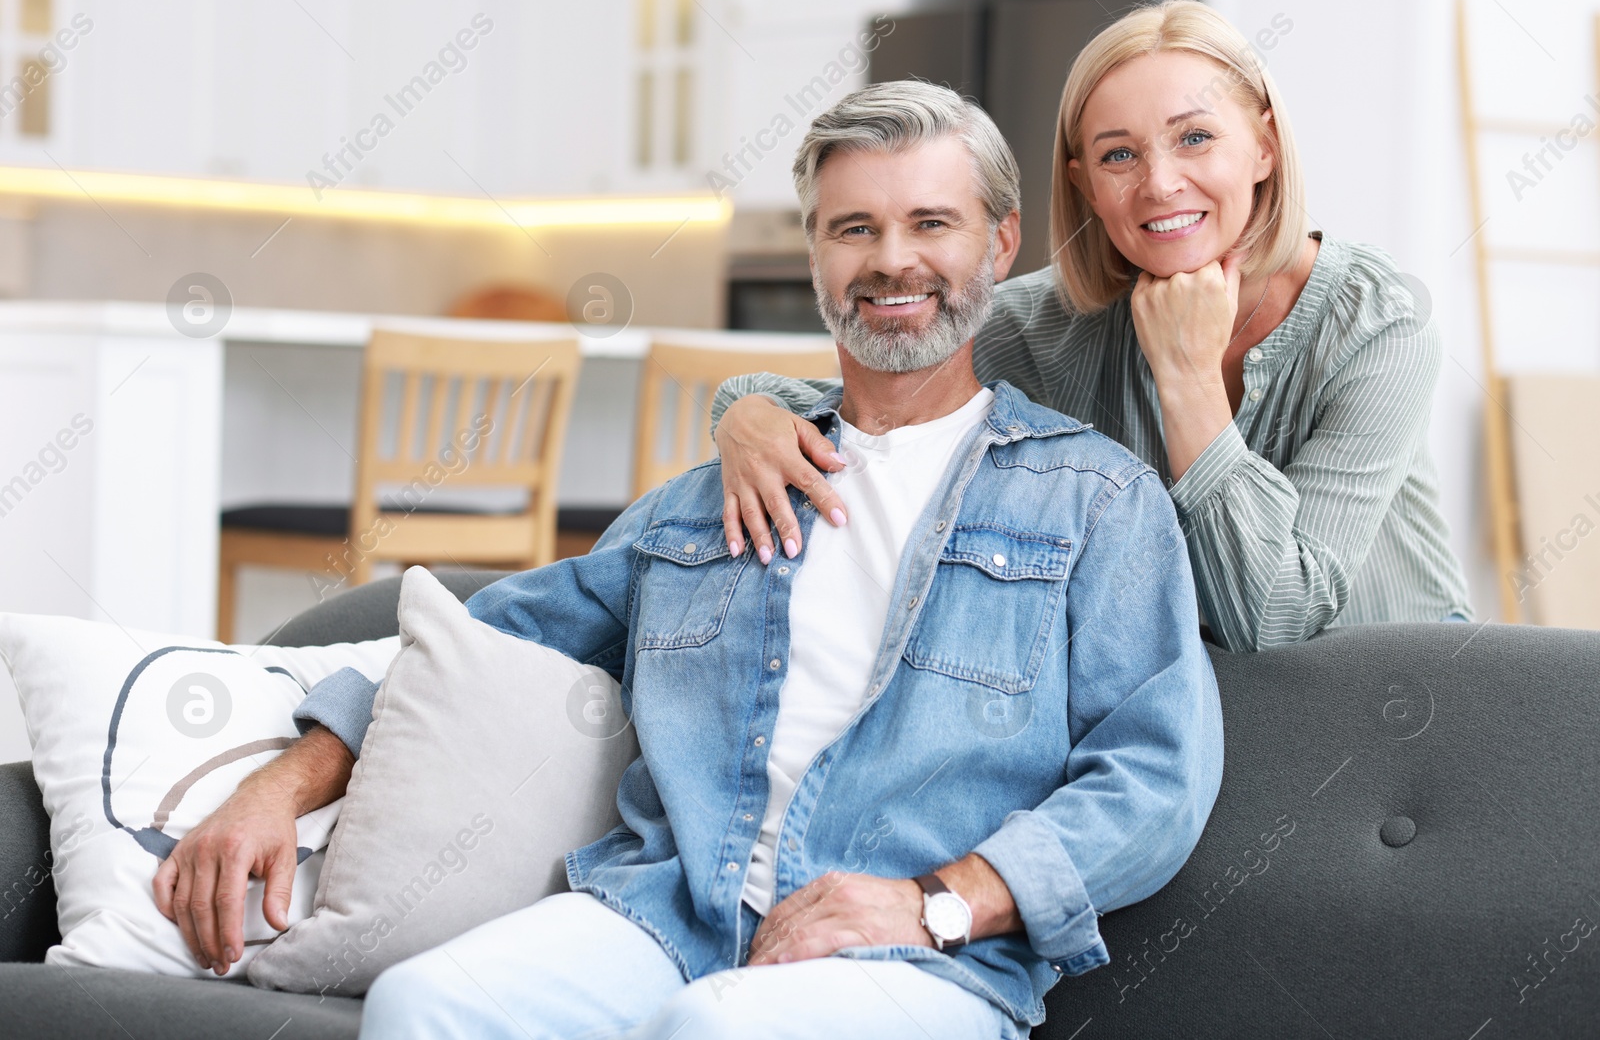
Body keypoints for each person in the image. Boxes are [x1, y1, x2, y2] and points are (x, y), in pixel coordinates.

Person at [153, 82, 1223, 1040]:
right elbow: (481, 645)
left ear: (999, 244)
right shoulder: (708, 501)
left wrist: (939, 900)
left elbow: (1155, 774)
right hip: (667, 910)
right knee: (424, 1004)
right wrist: (276, 788)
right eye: (855, 227)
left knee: (718, 1028)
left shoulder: (1095, 499)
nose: (892, 258)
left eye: (929, 222)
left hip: (916, 958)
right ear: (817, 258)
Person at [711, 0, 1473, 652]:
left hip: (1394, 713)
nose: (1160, 182)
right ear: (1085, 185)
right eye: (1119, 155)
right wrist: (743, 412)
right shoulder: (1049, 321)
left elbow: (1273, 617)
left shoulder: (1379, 328)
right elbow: (865, 400)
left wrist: (1186, 378)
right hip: (1199, 713)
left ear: (1265, 146)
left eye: (1196, 137)